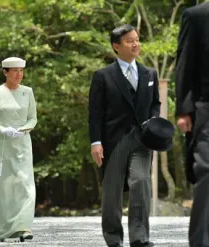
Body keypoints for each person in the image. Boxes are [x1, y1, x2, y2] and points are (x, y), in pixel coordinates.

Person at [88, 24, 161, 247]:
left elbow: (155, 105)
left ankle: (140, 238)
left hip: (142, 141)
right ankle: (113, 239)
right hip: (113, 141)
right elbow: (95, 112)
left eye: (137, 39)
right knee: (112, 192)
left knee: (141, 182)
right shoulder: (102, 76)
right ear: (116, 47)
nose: (136, 44)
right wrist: (96, 142)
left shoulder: (150, 74)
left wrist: (154, 128)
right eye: (130, 41)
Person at [0, 57, 37, 242]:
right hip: (1, 145)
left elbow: (33, 118)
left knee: (25, 185)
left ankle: (24, 227)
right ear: (5, 72)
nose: (19, 75)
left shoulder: (27, 92)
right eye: (15, 71)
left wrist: (23, 129)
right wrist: (2, 129)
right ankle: (3, 231)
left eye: (21, 71)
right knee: (3, 187)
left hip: (22, 144)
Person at [175, 2, 209, 246]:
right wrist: (184, 110)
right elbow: (184, 63)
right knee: (206, 172)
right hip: (205, 107)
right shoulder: (196, 16)